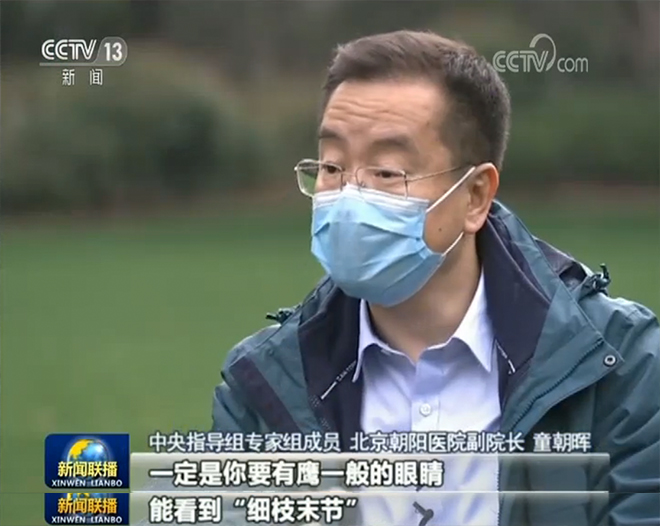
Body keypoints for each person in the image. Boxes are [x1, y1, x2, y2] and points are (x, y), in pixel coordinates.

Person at [212, 30, 659, 526]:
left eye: (387, 172)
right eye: (333, 166)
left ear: (475, 196)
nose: (349, 197)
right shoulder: (263, 385)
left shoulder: (622, 367)